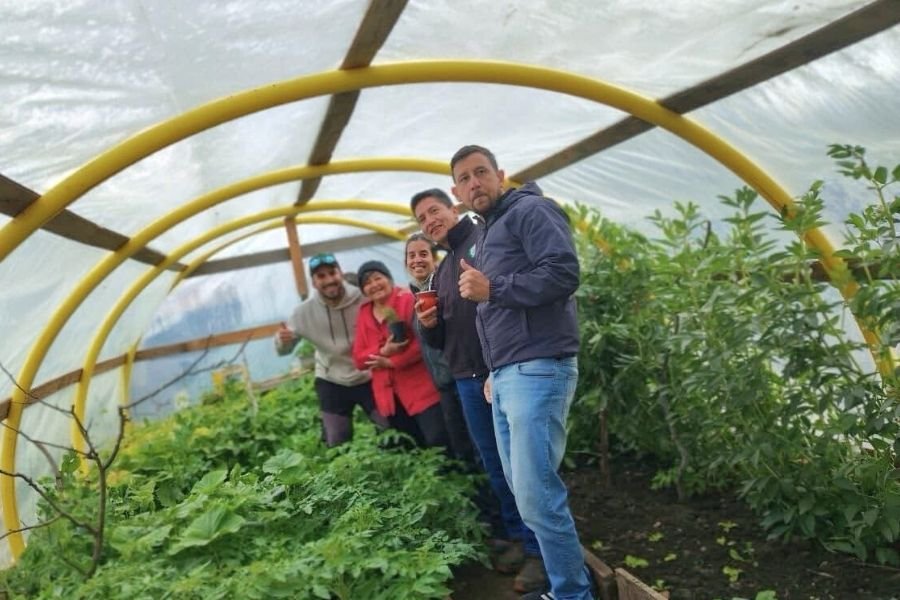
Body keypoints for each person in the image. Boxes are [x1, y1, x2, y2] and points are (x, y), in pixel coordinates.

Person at [449, 145, 594, 600]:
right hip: (510, 372)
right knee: (527, 496)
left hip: (539, 366)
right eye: (465, 178)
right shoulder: (488, 231)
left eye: (481, 172)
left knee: (537, 495)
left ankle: (573, 594)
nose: (475, 183)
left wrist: (494, 287)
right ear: (457, 192)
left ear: (501, 174)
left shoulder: (531, 210)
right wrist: (496, 368)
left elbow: (564, 272)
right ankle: (565, 587)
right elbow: (495, 312)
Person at [412, 189, 546, 594]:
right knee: (495, 464)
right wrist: (429, 325)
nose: (430, 220)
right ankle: (520, 539)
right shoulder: (442, 270)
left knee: (521, 464)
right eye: (421, 218)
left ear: (453, 208)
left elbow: (506, 295)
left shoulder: (481, 241)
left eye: (434, 210)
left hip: (499, 370)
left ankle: (540, 551)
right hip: (466, 378)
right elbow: (441, 341)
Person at [274, 252, 389, 446]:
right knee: (336, 439)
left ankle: (391, 459)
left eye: (332, 273)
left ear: (340, 273)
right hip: (331, 378)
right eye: (321, 276)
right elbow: (283, 350)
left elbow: (391, 312)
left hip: (369, 373)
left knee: (389, 429)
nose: (329, 280)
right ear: (313, 283)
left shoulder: (363, 298)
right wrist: (282, 341)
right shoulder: (303, 312)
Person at [352, 260, 449, 449]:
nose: (374, 285)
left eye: (377, 278)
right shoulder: (364, 313)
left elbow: (423, 343)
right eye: (367, 283)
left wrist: (391, 362)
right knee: (408, 448)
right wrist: (383, 351)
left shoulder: (407, 300)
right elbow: (358, 359)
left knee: (437, 441)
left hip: (420, 388)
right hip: (389, 397)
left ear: (389, 279)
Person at [405, 233, 475, 464]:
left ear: (435, 259)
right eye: (411, 255)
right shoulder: (415, 294)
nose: (417, 260)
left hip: (462, 375)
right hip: (444, 383)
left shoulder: (445, 286)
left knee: (478, 442)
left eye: (423, 254)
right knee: (462, 444)